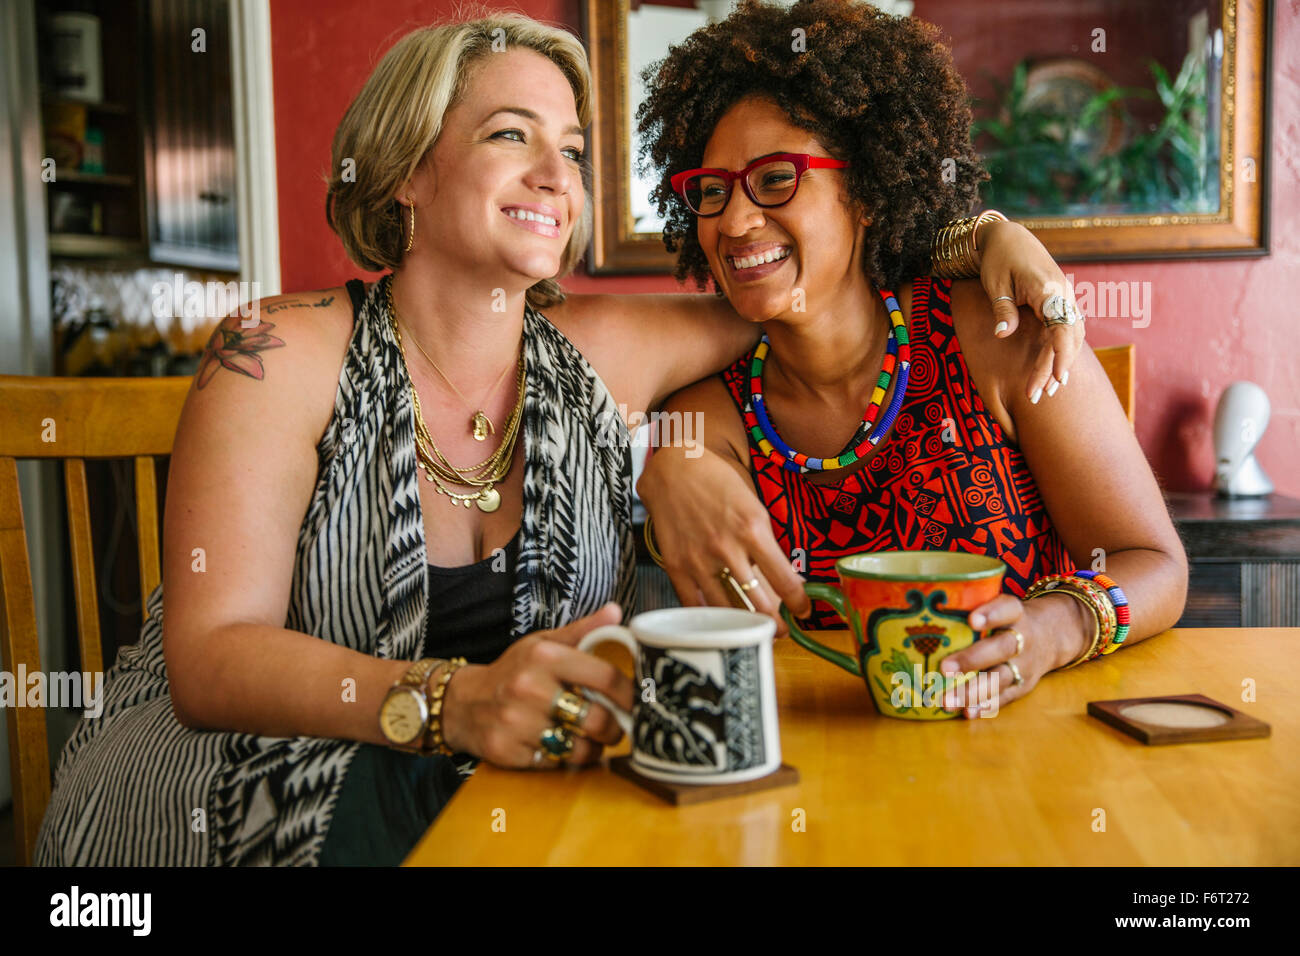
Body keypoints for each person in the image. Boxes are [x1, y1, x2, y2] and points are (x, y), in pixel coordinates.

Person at [34, 9, 1084, 866]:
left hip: (495, 787)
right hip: (221, 787)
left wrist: (984, 234)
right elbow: (211, 663)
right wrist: (455, 701)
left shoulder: (602, 349)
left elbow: (812, 277)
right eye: (509, 135)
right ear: (405, 171)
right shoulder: (276, 353)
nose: (554, 172)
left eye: (573, 150)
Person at [634, 0, 1188, 717]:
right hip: (828, 769)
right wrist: (665, 470)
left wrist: (1055, 630)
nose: (735, 221)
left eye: (776, 179)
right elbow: (670, 476)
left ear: (863, 190)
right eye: (712, 192)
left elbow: (1153, 565)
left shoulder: (995, 336)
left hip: (1028, 757)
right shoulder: (715, 410)